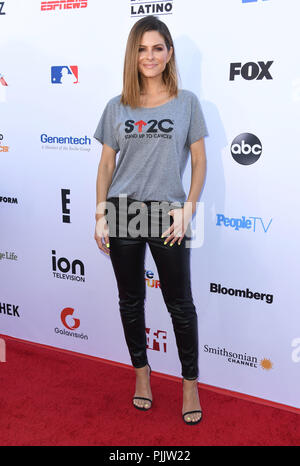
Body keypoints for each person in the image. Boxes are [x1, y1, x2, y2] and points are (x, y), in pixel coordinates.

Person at [93, 15, 208, 426]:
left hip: (167, 214)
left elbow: (198, 160)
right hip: (123, 211)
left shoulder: (187, 102)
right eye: (142, 48)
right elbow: (107, 165)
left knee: (180, 304)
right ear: (133, 54)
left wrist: (189, 205)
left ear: (169, 53)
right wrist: (100, 212)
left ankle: (189, 382)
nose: (150, 55)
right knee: (130, 302)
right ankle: (142, 376)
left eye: (158, 47)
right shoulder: (116, 105)